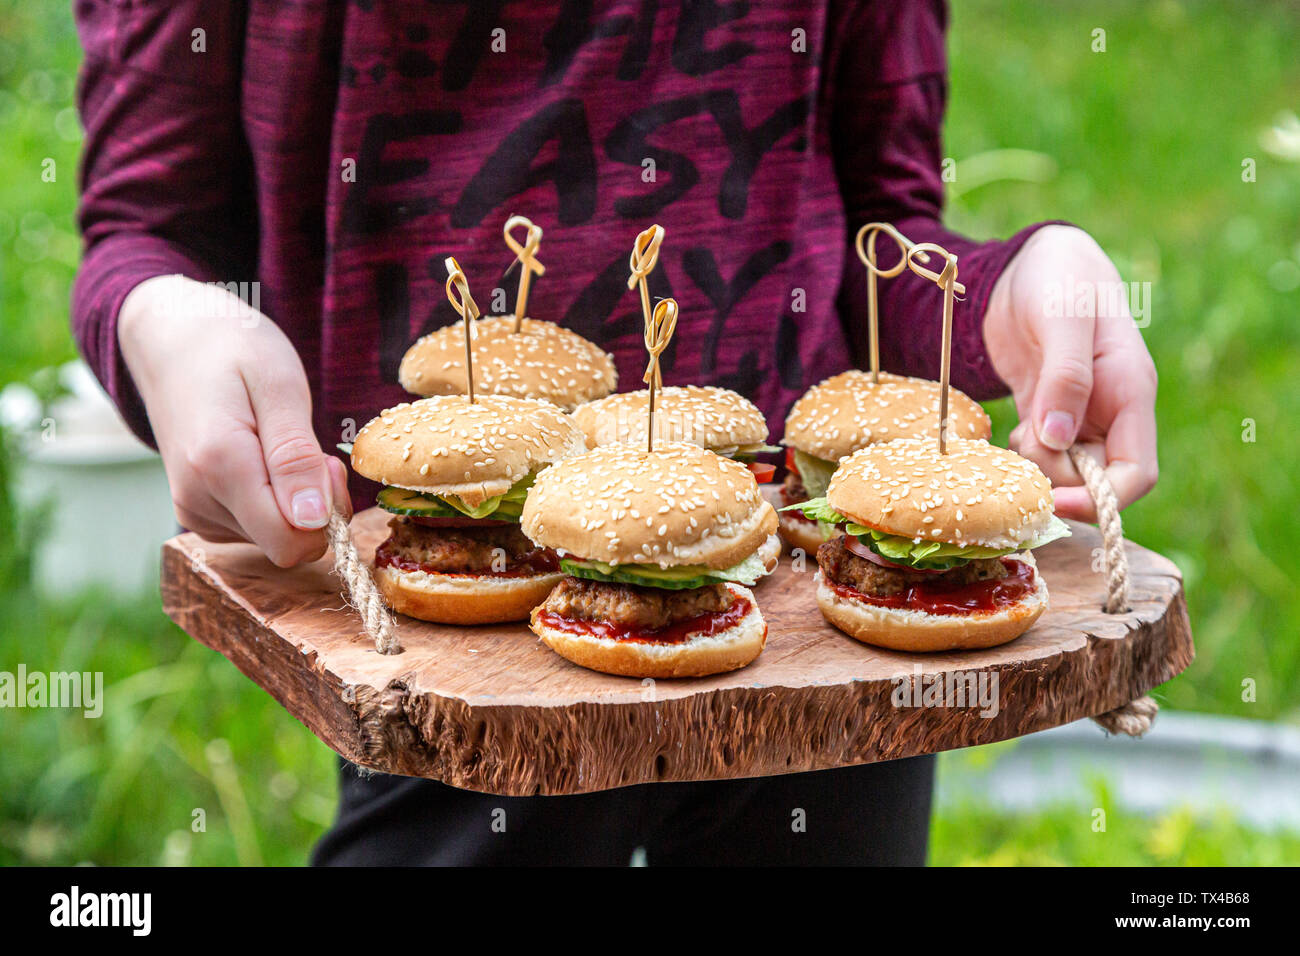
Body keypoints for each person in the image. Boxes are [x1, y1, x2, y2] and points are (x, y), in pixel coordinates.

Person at [72, 1, 1157, 865]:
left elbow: (885, 219)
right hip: (467, 679)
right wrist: (166, 321)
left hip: (811, 648)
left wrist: (1005, 286)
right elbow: (144, 225)